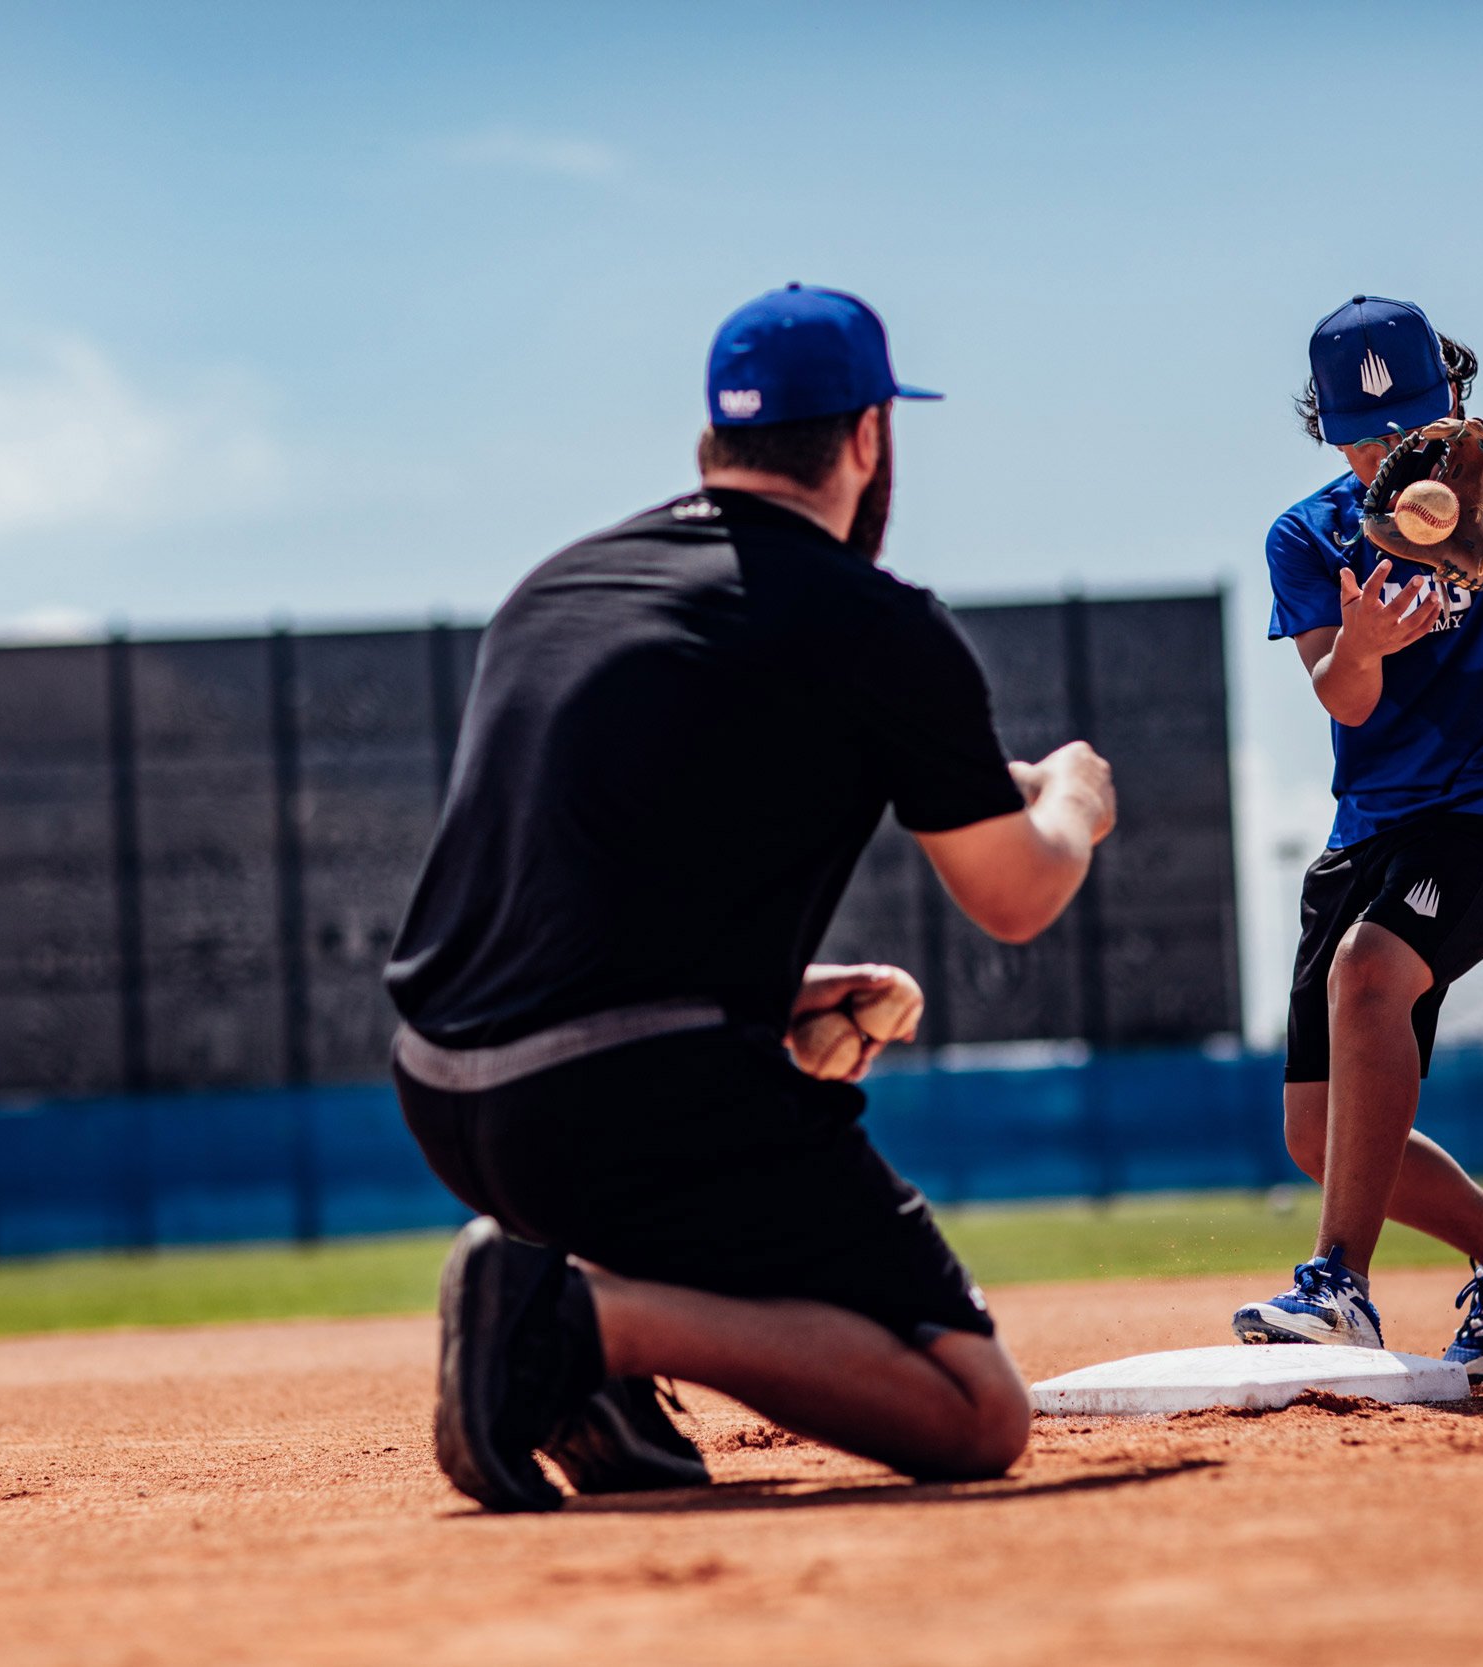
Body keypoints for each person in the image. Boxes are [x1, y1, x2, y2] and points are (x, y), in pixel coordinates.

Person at [384, 283, 1118, 1511]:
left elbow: (555, 886)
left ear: (710, 443)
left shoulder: (559, 587)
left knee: (733, 1088)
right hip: (611, 1100)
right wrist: (1074, 800)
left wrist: (767, 995)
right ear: (870, 438)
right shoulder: (875, 625)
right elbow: (1013, 893)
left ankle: (594, 1370)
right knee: (973, 1409)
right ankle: (585, 1322)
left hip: (445, 1094)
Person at [1231, 295, 1483, 1380]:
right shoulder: (1307, 533)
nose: (1374, 453)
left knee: (1368, 972)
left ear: (1449, 399)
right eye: (1352, 434)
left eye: (1397, 426)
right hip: (1369, 835)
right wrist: (1358, 643)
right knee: (1321, 1139)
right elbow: (1344, 703)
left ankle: (1336, 1284)